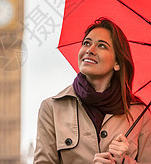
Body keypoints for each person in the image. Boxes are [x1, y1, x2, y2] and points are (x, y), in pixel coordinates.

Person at [33, 18, 151, 164]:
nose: (90, 50)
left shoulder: (140, 114)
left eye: (101, 46)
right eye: (86, 43)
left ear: (117, 63)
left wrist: (123, 161)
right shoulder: (52, 108)